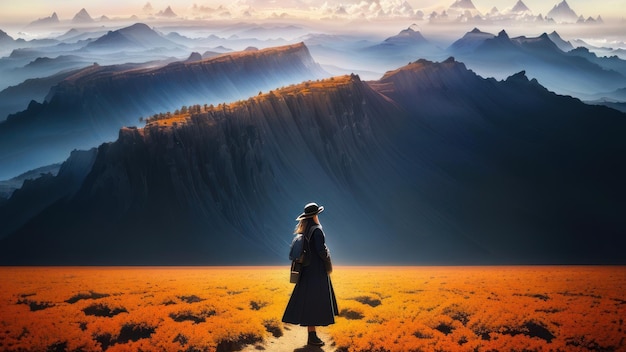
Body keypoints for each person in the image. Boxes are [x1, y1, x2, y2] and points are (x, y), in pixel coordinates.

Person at [282, 202, 338, 347]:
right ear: (315, 215)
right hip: (317, 271)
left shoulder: (305, 229)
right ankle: (312, 337)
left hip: (306, 271)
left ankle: (312, 335)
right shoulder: (317, 230)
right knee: (316, 302)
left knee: (309, 303)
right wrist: (328, 261)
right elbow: (321, 250)